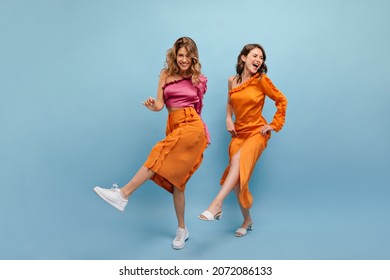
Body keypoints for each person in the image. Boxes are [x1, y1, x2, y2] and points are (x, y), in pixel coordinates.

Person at [94, 37, 209, 250]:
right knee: (177, 182)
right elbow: (160, 105)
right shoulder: (165, 75)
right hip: (174, 126)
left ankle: (122, 194)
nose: (184, 59)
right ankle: (182, 229)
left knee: (159, 151)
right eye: (180, 55)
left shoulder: (199, 79)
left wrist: (203, 136)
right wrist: (152, 106)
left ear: (194, 56)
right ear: (175, 56)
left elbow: (198, 110)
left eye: (187, 55)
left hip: (192, 127)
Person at [198, 43, 287, 237]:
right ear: (243, 58)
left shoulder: (261, 80)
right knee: (238, 181)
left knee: (238, 161)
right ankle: (247, 219)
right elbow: (230, 101)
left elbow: (282, 100)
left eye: (261, 58)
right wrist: (228, 118)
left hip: (257, 133)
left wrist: (274, 124)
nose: (258, 60)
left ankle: (216, 205)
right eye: (255, 55)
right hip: (239, 134)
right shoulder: (232, 80)